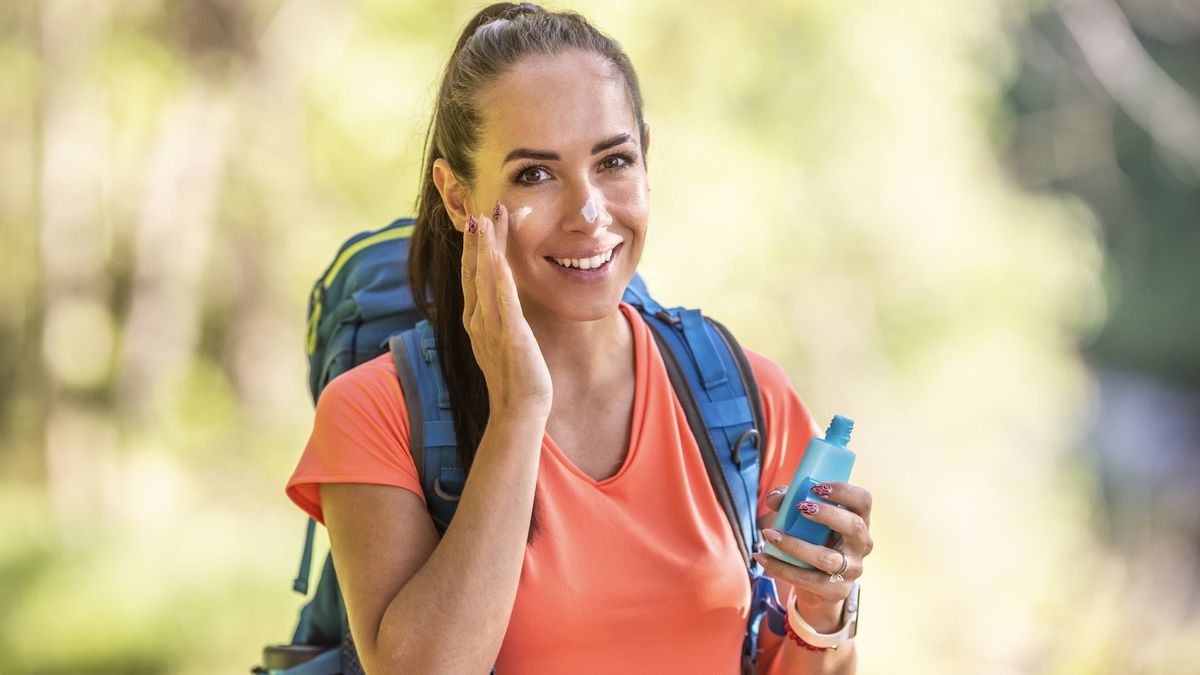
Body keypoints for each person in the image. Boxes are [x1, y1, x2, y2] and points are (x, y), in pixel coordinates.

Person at [286, 3, 875, 673]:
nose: (589, 213)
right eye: (534, 174)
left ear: (646, 156)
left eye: (614, 161)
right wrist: (517, 413)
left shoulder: (744, 396)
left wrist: (824, 612)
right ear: (456, 197)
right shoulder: (376, 411)